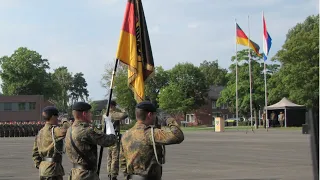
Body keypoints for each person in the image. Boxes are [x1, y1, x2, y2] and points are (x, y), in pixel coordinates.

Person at [119, 101, 184, 180]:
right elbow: (178, 136)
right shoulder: (150, 133)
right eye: (154, 115)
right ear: (150, 115)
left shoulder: (126, 135)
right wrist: (168, 118)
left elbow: (122, 161)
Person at [65, 102, 117, 180]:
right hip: (86, 175)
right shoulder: (86, 131)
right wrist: (109, 122)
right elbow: (110, 140)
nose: (91, 114)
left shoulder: (70, 130)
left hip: (75, 173)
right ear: (84, 114)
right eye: (89, 112)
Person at [32, 106, 67, 180]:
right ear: (53, 117)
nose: (58, 119)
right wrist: (64, 120)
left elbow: (35, 152)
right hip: (53, 170)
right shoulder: (54, 130)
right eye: (57, 117)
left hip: (43, 169)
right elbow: (68, 129)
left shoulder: (40, 132)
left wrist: (40, 165)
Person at [104, 100, 128, 180]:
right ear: (112, 106)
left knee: (109, 157)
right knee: (115, 157)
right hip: (113, 138)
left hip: (107, 137)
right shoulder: (112, 114)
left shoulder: (104, 114)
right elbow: (124, 115)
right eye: (115, 106)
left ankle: (109, 173)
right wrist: (123, 109)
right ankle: (113, 175)